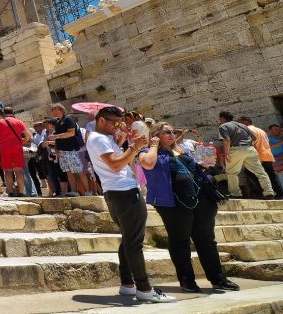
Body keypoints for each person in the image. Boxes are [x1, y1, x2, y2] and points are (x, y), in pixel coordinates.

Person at [88, 105, 176, 303]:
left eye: (120, 123)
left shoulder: (104, 138)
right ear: (101, 121)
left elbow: (115, 160)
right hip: (124, 193)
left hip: (116, 192)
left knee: (128, 239)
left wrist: (124, 140)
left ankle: (128, 284)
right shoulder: (99, 138)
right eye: (114, 123)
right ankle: (144, 288)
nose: (118, 126)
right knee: (135, 243)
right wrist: (134, 146)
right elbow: (116, 164)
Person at [139, 122, 238, 293]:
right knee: (180, 240)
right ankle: (187, 281)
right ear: (156, 135)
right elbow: (147, 164)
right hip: (173, 202)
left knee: (206, 239)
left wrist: (205, 163)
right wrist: (154, 144)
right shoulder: (147, 151)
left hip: (200, 199)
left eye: (173, 131)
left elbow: (196, 170)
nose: (171, 134)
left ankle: (218, 278)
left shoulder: (180, 151)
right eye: (166, 132)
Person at [218, 110, 275, 199]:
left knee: (232, 173)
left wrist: (227, 153)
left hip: (236, 149)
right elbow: (254, 138)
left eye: (219, 118)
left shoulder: (223, 126)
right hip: (250, 149)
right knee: (260, 172)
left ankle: (235, 193)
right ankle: (269, 192)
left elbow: (226, 140)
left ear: (222, 118)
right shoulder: (243, 126)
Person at [237, 116, 283, 199]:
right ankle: (278, 194)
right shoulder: (260, 130)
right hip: (267, 156)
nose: (238, 125)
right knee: (271, 176)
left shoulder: (248, 130)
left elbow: (251, 145)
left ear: (246, 122)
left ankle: (266, 194)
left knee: (255, 176)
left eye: (239, 122)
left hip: (258, 157)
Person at [50, 104, 89, 197]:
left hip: (71, 150)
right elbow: (58, 138)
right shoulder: (59, 122)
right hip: (62, 151)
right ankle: (74, 192)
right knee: (69, 172)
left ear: (59, 110)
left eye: (53, 109)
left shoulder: (69, 118)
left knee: (79, 171)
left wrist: (56, 136)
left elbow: (71, 133)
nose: (51, 111)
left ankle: (88, 192)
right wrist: (57, 149)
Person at [0, 107, 30, 197]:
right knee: (19, 171)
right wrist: (23, 141)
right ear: (13, 112)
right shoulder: (19, 122)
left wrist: (0, 142)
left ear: (3, 113)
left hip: (4, 149)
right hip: (17, 148)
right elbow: (28, 136)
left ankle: (10, 192)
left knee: (8, 171)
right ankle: (21, 192)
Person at [269, 124, 283, 191]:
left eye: (278, 129)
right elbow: (270, 147)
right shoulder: (268, 139)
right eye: (275, 130)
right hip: (276, 161)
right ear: (270, 131)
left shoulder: (281, 138)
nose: (278, 131)